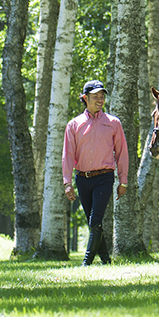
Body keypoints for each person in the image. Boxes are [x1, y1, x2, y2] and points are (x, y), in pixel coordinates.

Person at [62, 79, 130, 265]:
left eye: (102, 96)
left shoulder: (113, 123)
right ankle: (106, 261)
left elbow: (122, 153)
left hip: (104, 178)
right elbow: (67, 155)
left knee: (95, 218)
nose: (100, 100)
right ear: (85, 98)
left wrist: (123, 181)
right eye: (95, 96)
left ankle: (86, 262)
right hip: (82, 179)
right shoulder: (74, 125)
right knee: (94, 223)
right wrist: (67, 183)